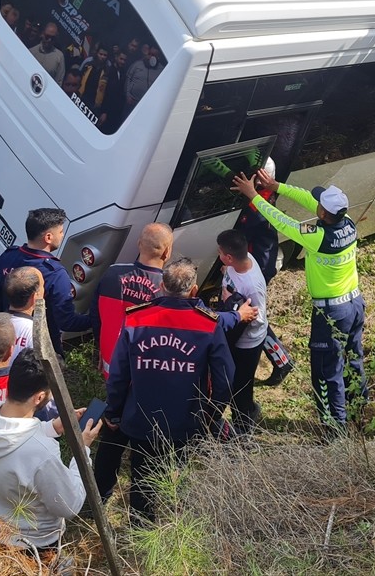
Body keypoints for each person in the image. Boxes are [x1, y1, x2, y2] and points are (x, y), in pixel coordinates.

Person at [232, 170, 365, 434]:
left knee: (326, 372)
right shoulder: (347, 222)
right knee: (352, 359)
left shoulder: (317, 236)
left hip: (332, 313)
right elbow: (308, 199)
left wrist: (254, 196)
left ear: (324, 214)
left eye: (319, 205)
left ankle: (334, 430)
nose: (314, 203)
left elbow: (282, 222)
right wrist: (276, 186)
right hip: (354, 304)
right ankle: (357, 412)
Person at [102, 258, 234, 522]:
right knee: (179, 470)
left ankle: (141, 524)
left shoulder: (137, 319)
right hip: (187, 418)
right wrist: (211, 413)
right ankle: (177, 522)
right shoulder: (208, 324)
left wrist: (114, 411)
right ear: (194, 290)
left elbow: (118, 374)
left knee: (142, 474)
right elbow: (225, 378)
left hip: (141, 417)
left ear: (161, 286)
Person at [0, 348, 103, 558]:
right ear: (40, 397)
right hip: (34, 546)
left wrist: (52, 428)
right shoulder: (41, 453)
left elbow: (15, 434)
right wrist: (82, 449)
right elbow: (70, 505)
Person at [0, 208, 93, 359]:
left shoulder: (8, 257)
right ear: (48, 237)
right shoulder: (55, 273)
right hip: (42, 348)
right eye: (61, 232)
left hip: (6, 340)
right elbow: (67, 321)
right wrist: (96, 319)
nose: (62, 235)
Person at [234, 158, 294, 384]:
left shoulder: (260, 206)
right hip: (258, 264)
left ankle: (282, 360)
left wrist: (248, 193)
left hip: (259, 269)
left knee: (255, 317)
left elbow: (249, 222)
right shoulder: (264, 197)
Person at [94, 222, 173, 378]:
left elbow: (95, 315)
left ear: (139, 244)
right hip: (143, 370)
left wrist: (100, 347)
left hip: (110, 359)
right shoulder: (168, 288)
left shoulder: (112, 272)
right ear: (167, 252)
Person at [216, 228, 268, 435]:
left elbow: (258, 318)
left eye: (220, 252)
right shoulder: (236, 264)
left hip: (247, 343)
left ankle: (244, 425)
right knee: (229, 382)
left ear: (229, 257)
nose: (218, 255)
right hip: (233, 335)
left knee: (240, 388)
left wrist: (234, 307)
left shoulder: (253, 285)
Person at [29, 22, 66, 86]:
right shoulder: (32, 51)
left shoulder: (59, 57)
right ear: (42, 34)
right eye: (47, 36)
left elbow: (58, 83)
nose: (49, 40)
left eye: (52, 38)